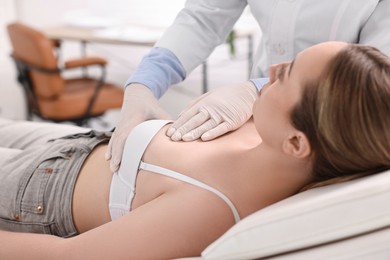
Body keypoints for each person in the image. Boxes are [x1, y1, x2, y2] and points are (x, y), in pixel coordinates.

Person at [1, 42, 390, 259]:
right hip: (78, 145)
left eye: (286, 74)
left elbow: (65, 257)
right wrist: (142, 88)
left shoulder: (209, 207)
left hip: (39, 193)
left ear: (296, 143)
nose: (272, 69)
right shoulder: (271, 134)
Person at [106, 0, 390, 172]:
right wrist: (144, 82)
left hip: (332, 125)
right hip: (268, 107)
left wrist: (256, 88)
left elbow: (376, 77)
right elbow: (204, 16)